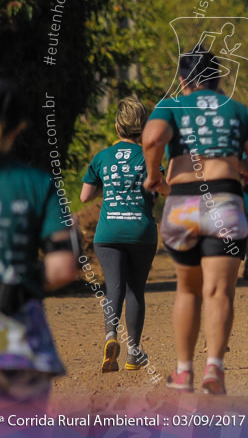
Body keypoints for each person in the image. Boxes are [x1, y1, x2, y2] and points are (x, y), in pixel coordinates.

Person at [143, 49, 248, 394]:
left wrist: (153, 175)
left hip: (182, 204)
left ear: (183, 79)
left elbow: (153, 138)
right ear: (219, 79)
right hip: (224, 202)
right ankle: (213, 368)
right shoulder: (237, 110)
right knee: (218, 291)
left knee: (187, 289)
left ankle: (183, 371)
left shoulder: (171, 105)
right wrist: (234, 161)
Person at [0, 78, 79, 415]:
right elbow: (63, 268)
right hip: (18, 340)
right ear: (18, 129)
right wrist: (19, 277)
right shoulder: (40, 184)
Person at [80, 97, 162, 372]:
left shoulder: (101, 157)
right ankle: (133, 353)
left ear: (117, 127)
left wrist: (112, 184)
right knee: (135, 288)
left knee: (113, 287)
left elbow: (84, 195)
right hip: (140, 231)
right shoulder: (149, 156)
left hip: (108, 232)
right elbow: (164, 188)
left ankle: (110, 337)